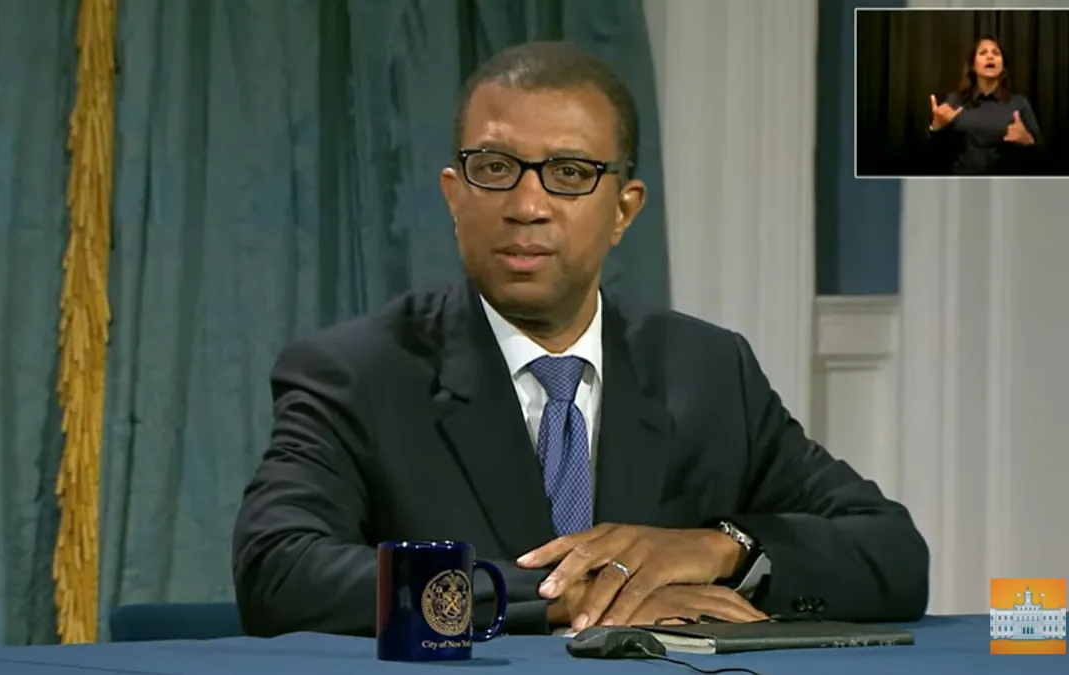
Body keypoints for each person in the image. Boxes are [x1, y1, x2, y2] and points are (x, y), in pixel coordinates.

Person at [232, 40, 930, 638]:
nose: (527, 206)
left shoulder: (709, 370)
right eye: (495, 168)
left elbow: (893, 553)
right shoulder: (356, 372)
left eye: (570, 174)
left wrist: (720, 549)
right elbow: (280, 570)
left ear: (624, 209)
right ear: (454, 194)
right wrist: (560, 592)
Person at [928, 35, 1042, 175]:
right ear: (973, 66)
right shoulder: (955, 101)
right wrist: (935, 128)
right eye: (983, 53)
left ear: (1003, 66)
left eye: (996, 53)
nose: (990, 57)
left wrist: (1028, 141)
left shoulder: (1018, 103)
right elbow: (932, 154)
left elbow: (1042, 155)